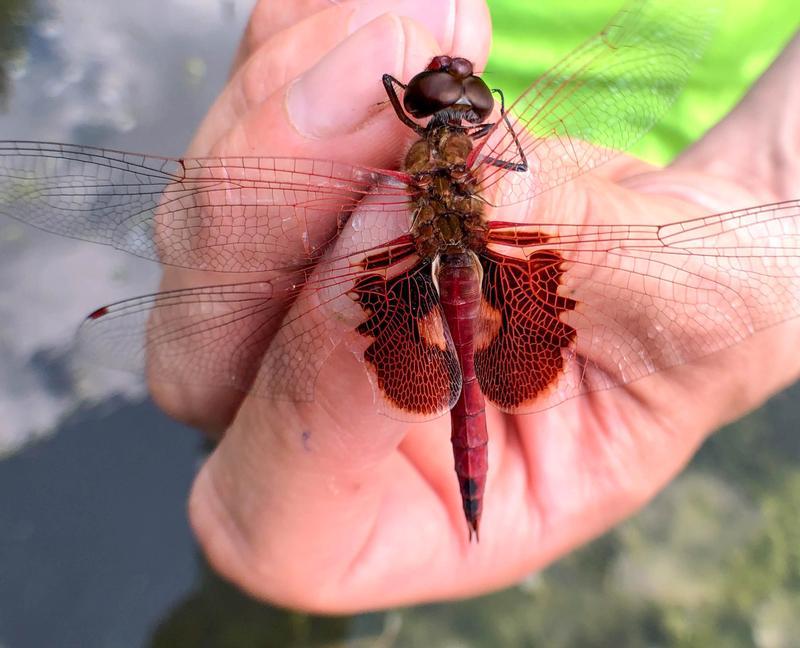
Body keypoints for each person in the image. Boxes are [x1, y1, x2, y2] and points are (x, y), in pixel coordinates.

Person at [152, 0, 800, 612]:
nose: (460, 88)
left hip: (650, 165)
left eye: (469, 96)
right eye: (445, 94)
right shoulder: (488, 153)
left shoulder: (412, 154)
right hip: (570, 211)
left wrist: (770, 180)